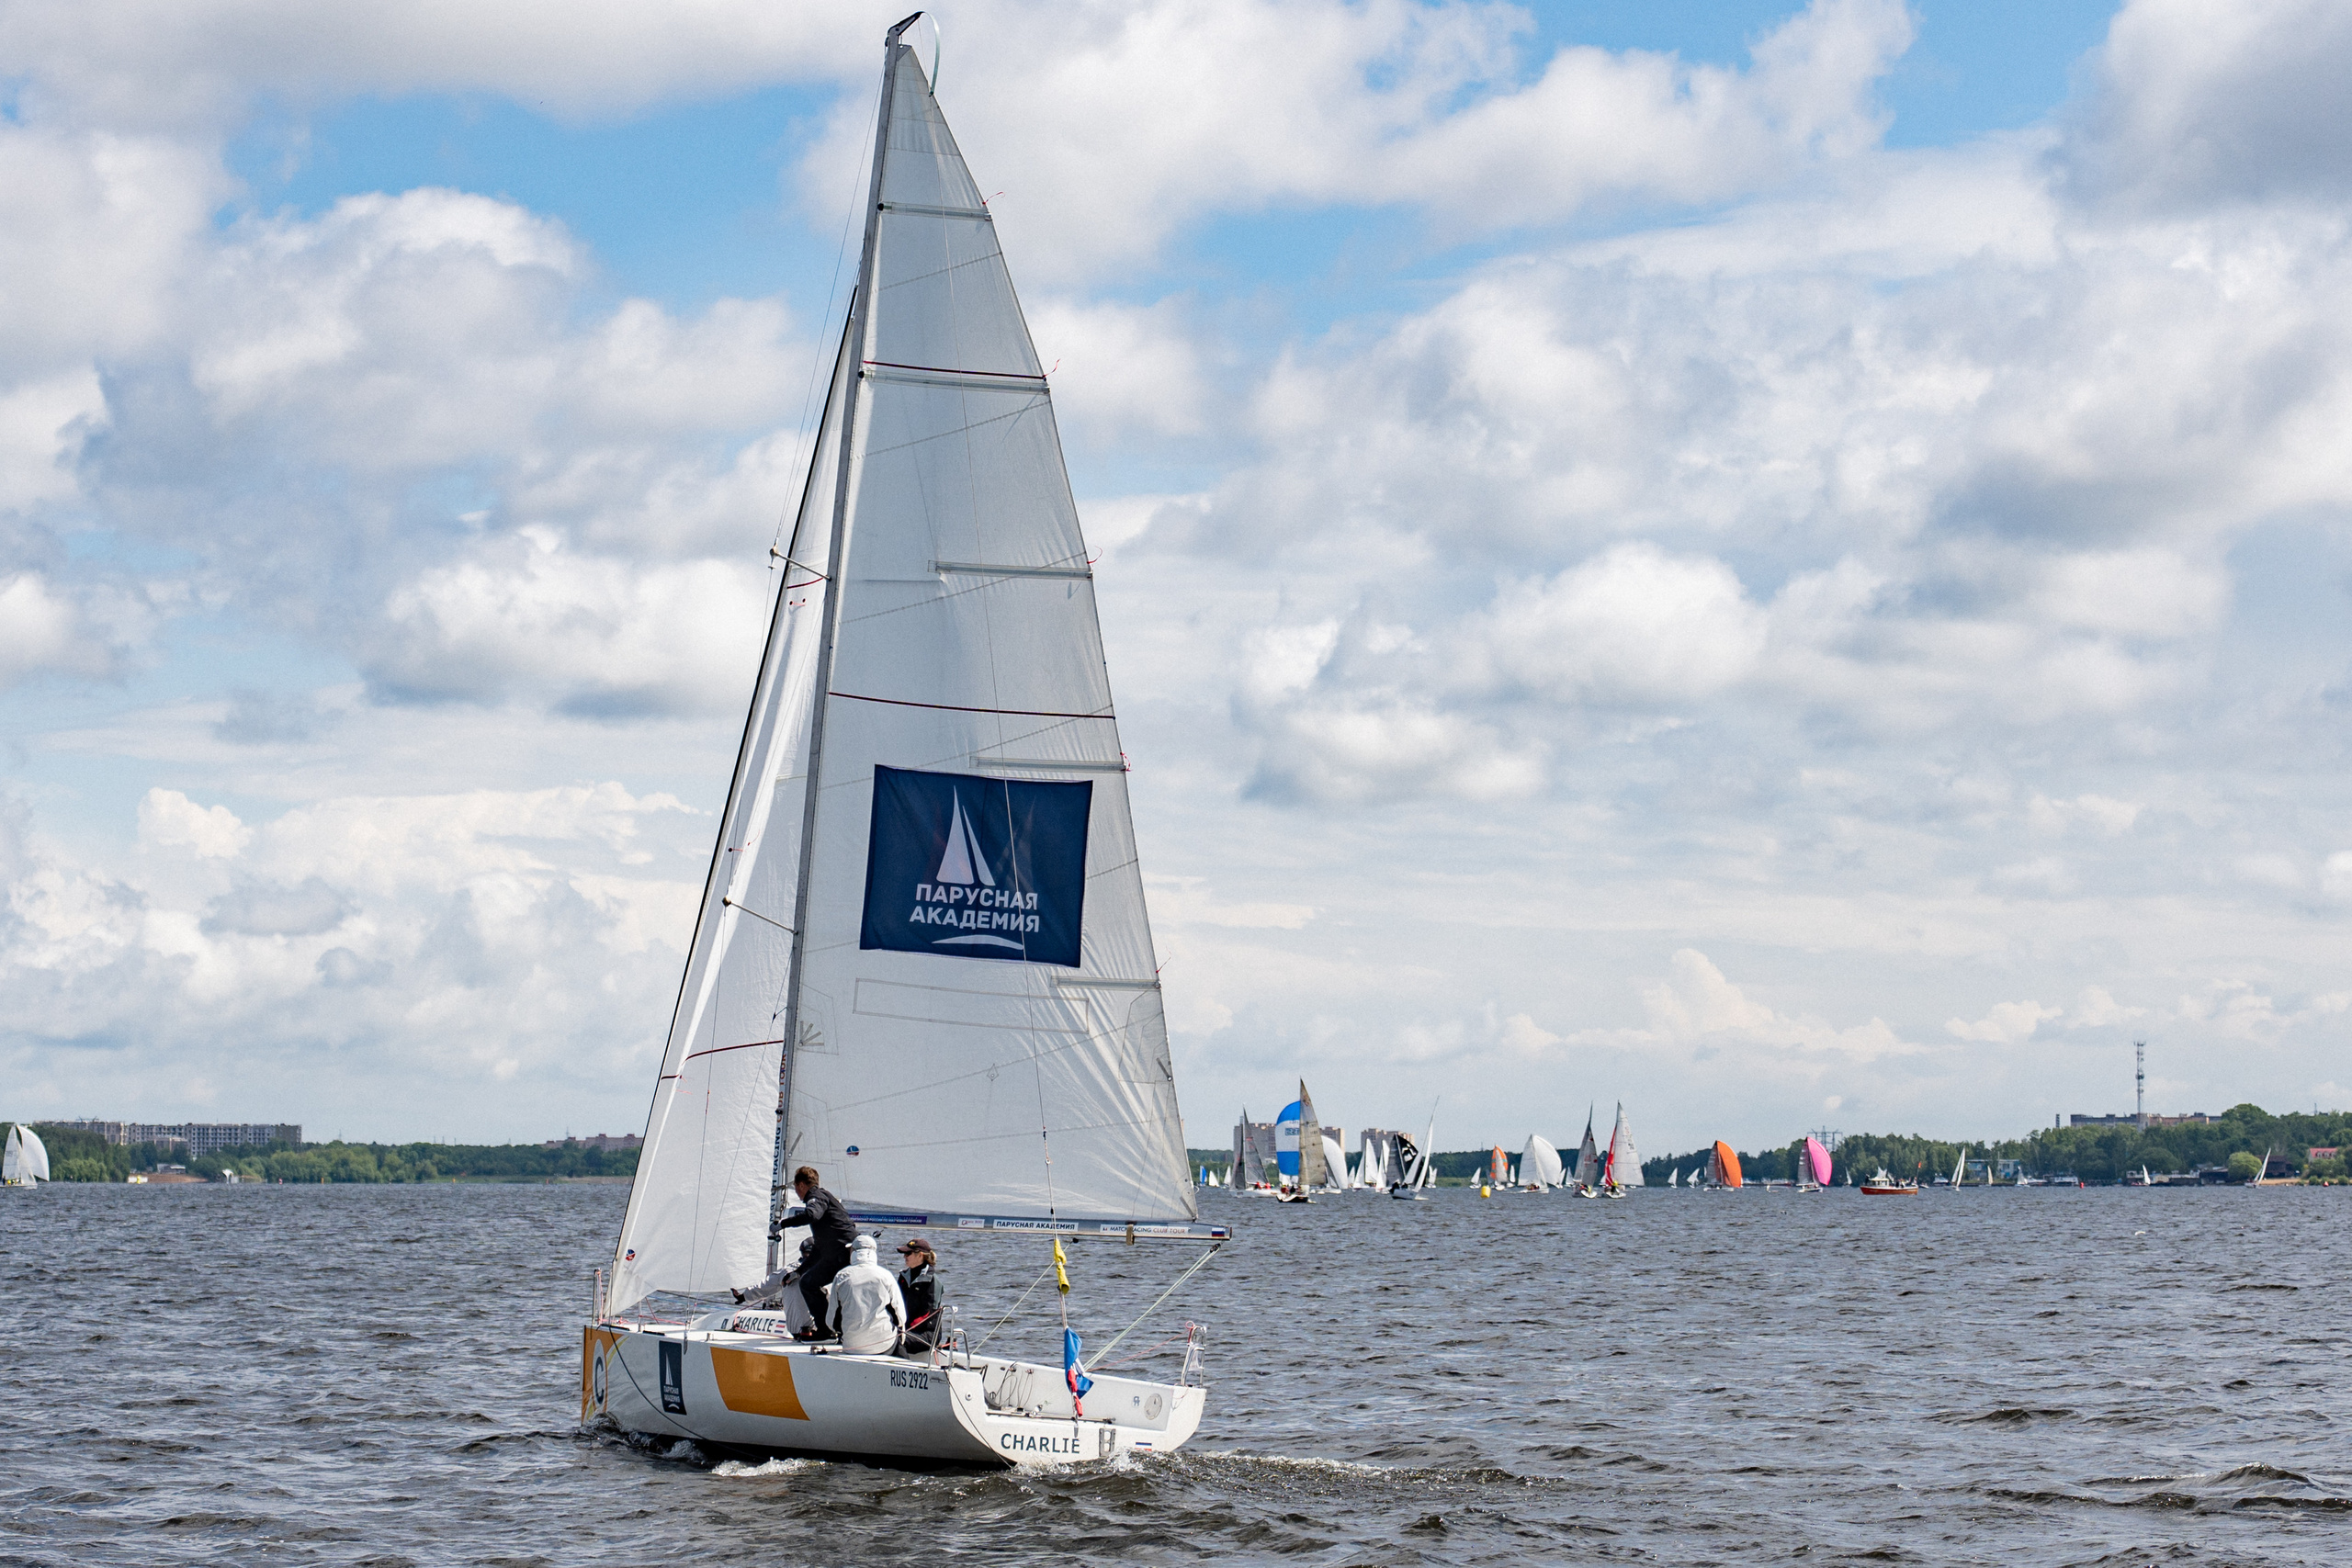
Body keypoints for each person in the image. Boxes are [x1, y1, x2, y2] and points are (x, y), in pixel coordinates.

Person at [775, 1166, 858, 1337]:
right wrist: (798, 1272)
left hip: (843, 1253)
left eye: (796, 1188)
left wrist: (782, 1224)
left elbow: (811, 1215)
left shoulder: (816, 1196)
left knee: (809, 1284)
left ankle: (827, 1330)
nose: (797, 1193)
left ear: (801, 1186)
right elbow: (819, 1249)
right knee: (807, 1281)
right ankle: (833, 1328)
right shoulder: (824, 1199)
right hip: (843, 1252)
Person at [825, 1235, 908, 1355]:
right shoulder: (885, 1275)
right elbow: (901, 1316)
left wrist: (842, 1332)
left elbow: (831, 1320)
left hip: (851, 1345)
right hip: (883, 1344)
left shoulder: (841, 1276)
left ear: (854, 1252)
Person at [895, 1237, 939, 1355]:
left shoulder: (932, 1280)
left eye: (908, 1253)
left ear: (920, 1255)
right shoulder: (903, 1277)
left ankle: (903, 1370)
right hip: (905, 1330)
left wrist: (904, 1330)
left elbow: (928, 1314)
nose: (905, 1257)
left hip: (927, 1334)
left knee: (896, 1340)